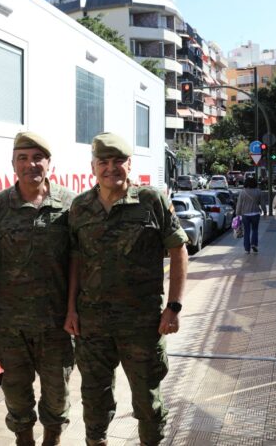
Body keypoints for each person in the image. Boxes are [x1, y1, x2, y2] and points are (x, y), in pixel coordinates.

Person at [65, 133, 189, 446]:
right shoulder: (80, 208)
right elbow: (75, 260)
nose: (111, 168)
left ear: (129, 164)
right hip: (92, 326)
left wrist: (173, 307)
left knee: (147, 402)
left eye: (117, 161)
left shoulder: (151, 200)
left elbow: (178, 250)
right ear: (93, 166)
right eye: (103, 162)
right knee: (94, 401)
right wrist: (70, 310)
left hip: (142, 324)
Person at [0, 132, 76, 446]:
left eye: (37, 157)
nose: (30, 164)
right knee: (17, 395)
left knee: (57, 395)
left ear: (49, 163)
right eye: (23, 158)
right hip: (10, 325)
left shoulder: (71, 205)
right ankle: (24, 441)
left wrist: (73, 310)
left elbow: (79, 264)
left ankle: (52, 441)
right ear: (13, 165)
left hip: (56, 324)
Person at [235, 176, 266, 254]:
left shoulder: (242, 192)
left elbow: (239, 204)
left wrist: (237, 213)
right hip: (255, 214)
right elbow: (262, 203)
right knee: (255, 230)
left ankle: (247, 249)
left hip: (245, 215)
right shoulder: (258, 191)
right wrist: (265, 211)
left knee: (247, 231)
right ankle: (254, 244)